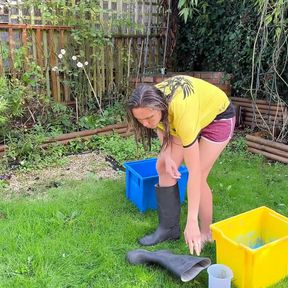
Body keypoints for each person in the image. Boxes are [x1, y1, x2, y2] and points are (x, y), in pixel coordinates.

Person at [127, 75, 235, 256]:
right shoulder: (148, 100)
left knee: (199, 175)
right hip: (183, 114)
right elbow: (160, 125)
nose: (145, 123)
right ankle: (168, 229)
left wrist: (191, 220)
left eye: (148, 118)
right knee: (163, 167)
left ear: (159, 107)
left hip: (218, 118)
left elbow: (192, 171)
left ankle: (206, 231)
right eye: (140, 120)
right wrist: (166, 153)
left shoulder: (181, 112)